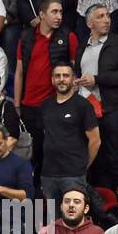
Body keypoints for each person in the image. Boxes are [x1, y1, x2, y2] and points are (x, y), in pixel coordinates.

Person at [15, 0, 79, 182]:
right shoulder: (26, 37)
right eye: (54, 12)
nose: (59, 16)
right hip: (29, 105)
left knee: (54, 150)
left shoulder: (68, 37)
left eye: (61, 12)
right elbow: (19, 72)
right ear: (42, 15)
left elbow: (75, 71)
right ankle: (36, 193)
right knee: (34, 153)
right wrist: (17, 104)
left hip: (55, 105)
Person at [75, 4, 118, 191]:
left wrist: (97, 79)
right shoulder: (82, 48)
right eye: (101, 16)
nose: (107, 20)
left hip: (112, 109)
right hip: (88, 112)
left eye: (108, 16)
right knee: (94, 162)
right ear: (89, 23)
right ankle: (102, 207)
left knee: (115, 160)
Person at [39, 63, 100, 202]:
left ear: (73, 79)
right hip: (48, 173)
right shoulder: (45, 105)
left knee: (74, 220)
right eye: (57, 76)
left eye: (66, 76)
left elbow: (95, 140)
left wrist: (83, 165)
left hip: (74, 173)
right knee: (53, 221)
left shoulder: (83, 105)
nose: (61, 79)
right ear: (52, 80)